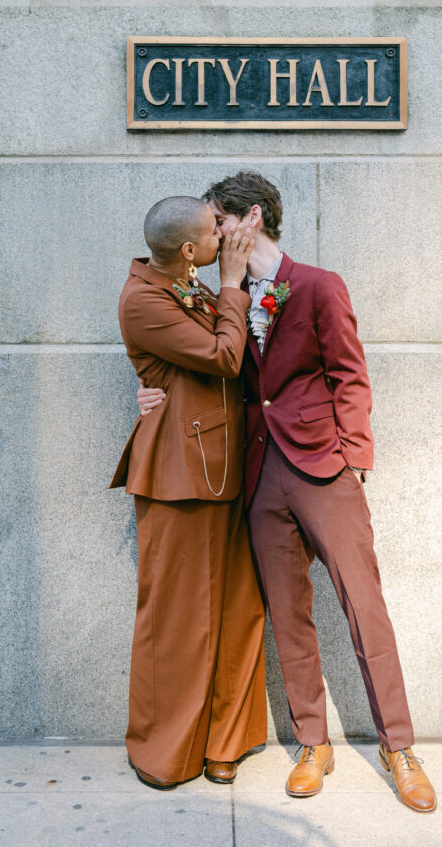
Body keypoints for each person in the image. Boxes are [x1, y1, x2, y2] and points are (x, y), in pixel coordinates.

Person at [137, 173, 437, 813]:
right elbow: (195, 359)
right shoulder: (221, 294)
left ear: (249, 221)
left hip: (325, 466)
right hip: (260, 469)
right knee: (288, 613)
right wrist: (154, 396)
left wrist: (354, 457)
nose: (208, 234)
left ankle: (400, 747)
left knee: (364, 606)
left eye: (216, 222)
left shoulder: (321, 286)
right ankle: (311, 744)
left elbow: (350, 375)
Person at [111, 195, 267, 789]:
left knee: (237, 609)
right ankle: (164, 754)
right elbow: (224, 357)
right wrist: (232, 282)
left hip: (228, 469)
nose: (221, 238)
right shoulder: (144, 299)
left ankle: (224, 742)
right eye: (212, 232)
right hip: (179, 477)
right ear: (187, 250)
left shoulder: (189, 283)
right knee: (176, 623)